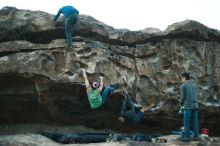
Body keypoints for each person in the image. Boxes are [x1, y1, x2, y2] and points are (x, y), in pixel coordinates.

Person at [179, 72, 200, 141]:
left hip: (188, 106)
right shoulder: (194, 85)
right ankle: (196, 137)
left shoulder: (183, 86)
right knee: (195, 121)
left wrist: (180, 104)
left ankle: (187, 137)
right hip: (195, 105)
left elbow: (182, 98)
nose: (181, 80)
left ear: (184, 78)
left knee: (186, 122)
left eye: (181, 78)